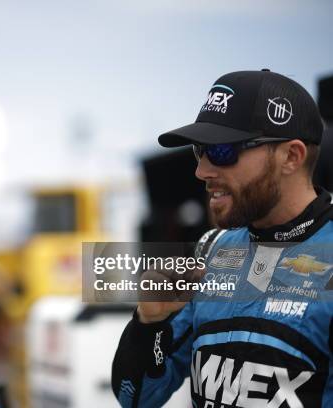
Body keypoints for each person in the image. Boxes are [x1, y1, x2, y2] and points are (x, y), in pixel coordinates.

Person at [111, 69, 332, 407]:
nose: (202, 171)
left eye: (224, 151)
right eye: (200, 150)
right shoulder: (212, 248)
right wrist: (148, 324)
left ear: (291, 156)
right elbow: (136, 398)